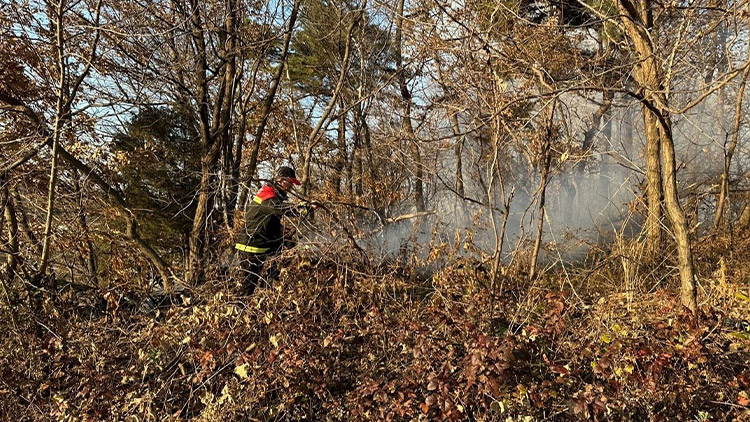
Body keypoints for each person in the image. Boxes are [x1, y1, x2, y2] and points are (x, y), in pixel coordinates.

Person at [233, 166, 314, 295]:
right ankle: (241, 307)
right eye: (290, 183)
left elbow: (272, 220)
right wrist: (304, 208)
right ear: (281, 180)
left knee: (287, 248)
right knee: (249, 285)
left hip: (262, 242)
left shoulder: (274, 195)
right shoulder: (268, 195)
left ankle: (269, 289)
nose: (291, 187)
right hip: (252, 245)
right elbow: (279, 208)